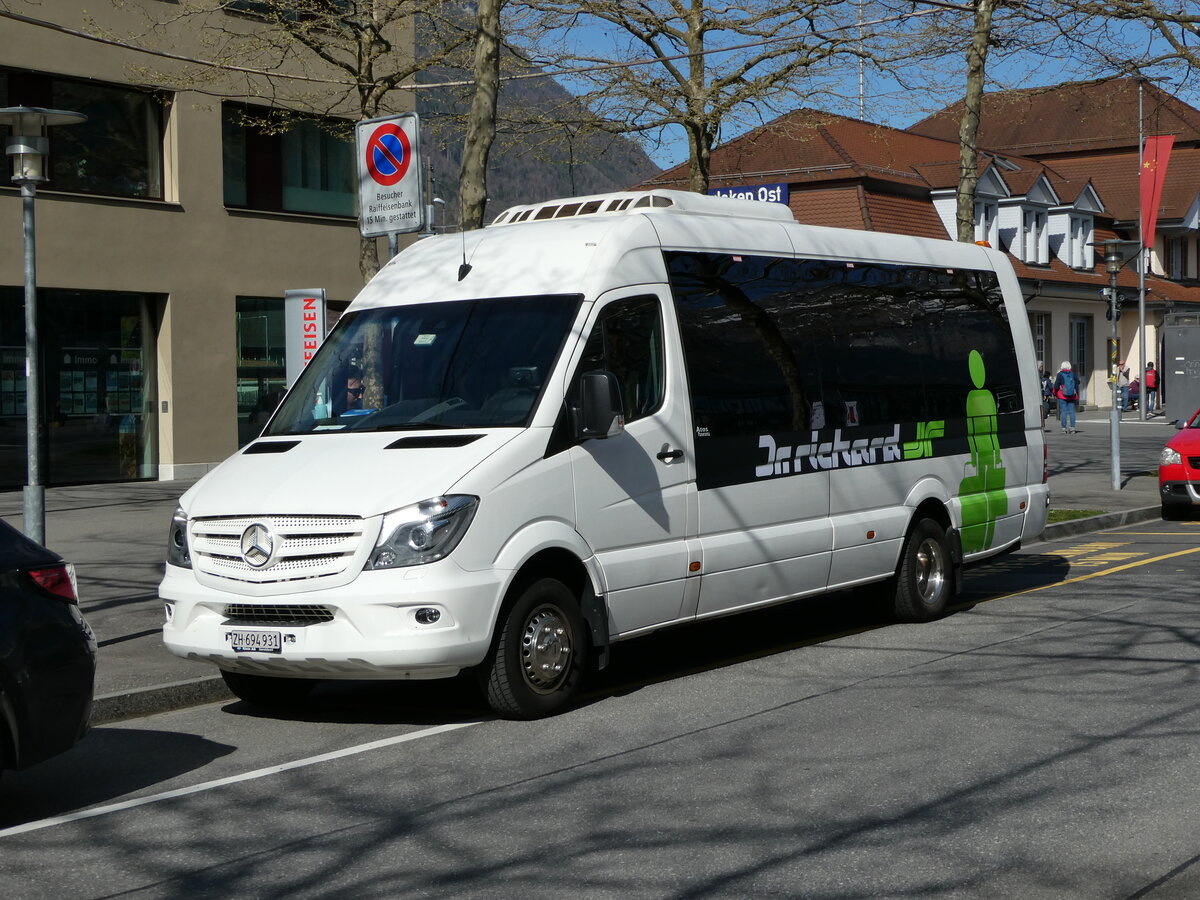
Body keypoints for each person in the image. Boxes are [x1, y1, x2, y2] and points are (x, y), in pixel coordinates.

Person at [1052, 360, 1079, 434]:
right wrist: (1075, 391)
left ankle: (1064, 428)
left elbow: (1056, 385)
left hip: (1062, 396)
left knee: (1063, 412)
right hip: (1072, 396)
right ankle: (1072, 428)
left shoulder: (1060, 374)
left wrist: (1054, 393)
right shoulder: (1073, 374)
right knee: (1072, 412)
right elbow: (1077, 383)